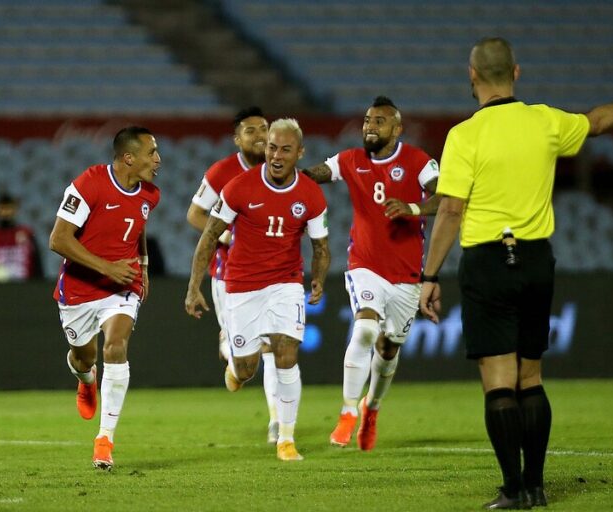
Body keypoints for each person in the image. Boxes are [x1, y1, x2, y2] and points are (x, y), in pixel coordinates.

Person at [418, 37, 613, 509]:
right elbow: (597, 122)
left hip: (488, 261)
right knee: (531, 376)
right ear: (516, 73)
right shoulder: (544, 120)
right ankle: (536, 486)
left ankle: (513, 489)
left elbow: (451, 210)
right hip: (536, 259)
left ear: (472, 75)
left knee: (499, 379)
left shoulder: (464, 135)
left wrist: (429, 276)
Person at [185, 118, 330, 462]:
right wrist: (193, 286)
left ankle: (286, 439)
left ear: (300, 153)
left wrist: (319, 278)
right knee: (248, 367)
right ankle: (235, 370)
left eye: (285, 150)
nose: (276, 156)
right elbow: (209, 235)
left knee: (285, 352)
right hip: (242, 286)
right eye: (272, 148)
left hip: (286, 283)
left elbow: (321, 246)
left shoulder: (311, 194)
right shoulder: (238, 187)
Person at [302, 96, 440, 451]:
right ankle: (348, 411)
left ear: (397, 129)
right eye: (366, 120)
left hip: (406, 275)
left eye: (379, 121)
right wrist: (287, 176)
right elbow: (313, 175)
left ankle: (371, 408)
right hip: (365, 265)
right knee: (364, 328)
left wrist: (413, 208)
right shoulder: (351, 160)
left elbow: (446, 198)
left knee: (389, 348)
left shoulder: (417, 161)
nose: (369, 126)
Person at [49, 126, 161, 471]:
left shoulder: (151, 194)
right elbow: (58, 239)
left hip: (122, 285)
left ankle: (105, 440)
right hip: (80, 288)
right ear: (129, 158)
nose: (158, 160)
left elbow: (137, 226)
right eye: (151, 153)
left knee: (115, 346)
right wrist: (106, 267)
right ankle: (86, 379)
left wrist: (142, 266)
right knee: (84, 357)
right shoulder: (90, 184)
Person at [186, 107, 281, 443]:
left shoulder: (280, 169)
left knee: (272, 346)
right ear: (237, 139)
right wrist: (227, 236)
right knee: (244, 366)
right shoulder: (222, 172)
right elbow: (195, 214)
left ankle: (277, 422)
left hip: (272, 273)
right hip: (230, 275)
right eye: (250, 130)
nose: (259, 135)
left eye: (264, 128)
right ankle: (231, 352)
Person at [0, 192, 43, 282]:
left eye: (8, 208)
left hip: (25, 286)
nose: (5, 212)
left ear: (15, 209)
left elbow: (38, 264)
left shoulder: (27, 234)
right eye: (2, 208)